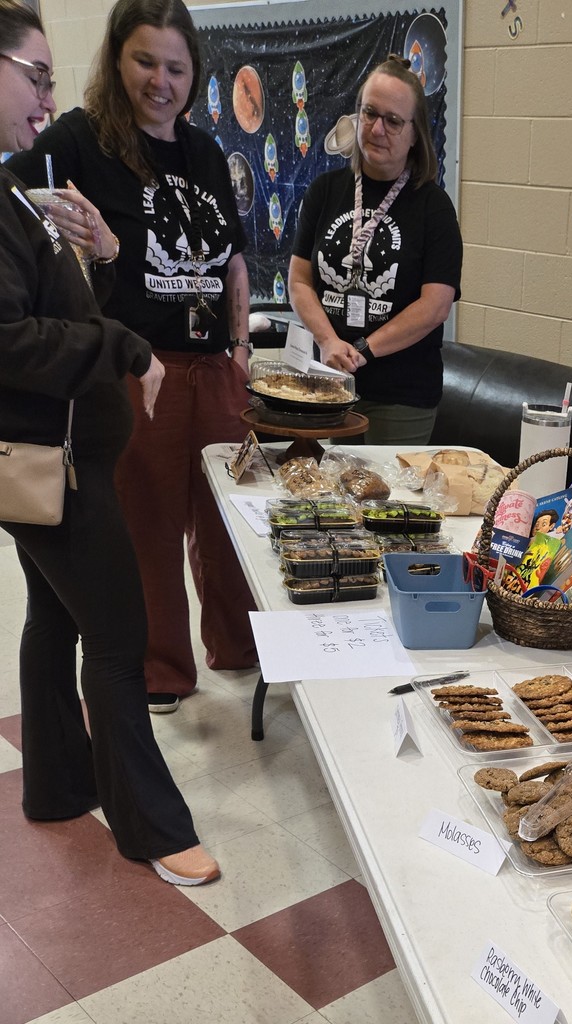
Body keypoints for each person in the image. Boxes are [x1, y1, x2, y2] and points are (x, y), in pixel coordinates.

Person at [0, 0, 218, 884]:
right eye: (33, 75)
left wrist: (95, 252)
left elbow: (52, 305)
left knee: (55, 615)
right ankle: (153, 831)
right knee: (121, 639)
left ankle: (58, 783)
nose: (45, 96)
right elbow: (11, 341)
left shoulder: (15, 192)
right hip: (48, 462)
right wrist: (120, 343)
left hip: (56, 456)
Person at [8, 0, 257, 714]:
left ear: (194, 73)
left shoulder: (205, 152)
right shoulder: (80, 139)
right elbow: (13, 188)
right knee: (147, 523)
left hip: (215, 367)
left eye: (176, 68)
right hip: (139, 368)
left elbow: (234, 261)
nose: (160, 82)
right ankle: (162, 669)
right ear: (117, 59)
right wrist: (68, 238)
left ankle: (240, 647)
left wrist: (241, 349)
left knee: (227, 521)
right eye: (145, 61)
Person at [289, 54, 463, 445]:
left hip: (400, 395)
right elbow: (299, 281)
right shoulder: (324, 191)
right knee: (321, 483)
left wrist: (364, 349)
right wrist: (328, 341)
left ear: (415, 134)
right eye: (369, 113)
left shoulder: (433, 207)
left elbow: (435, 305)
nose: (377, 129)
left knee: (384, 487)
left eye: (393, 120)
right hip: (329, 381)